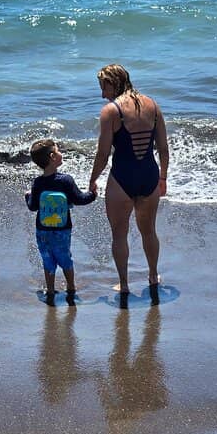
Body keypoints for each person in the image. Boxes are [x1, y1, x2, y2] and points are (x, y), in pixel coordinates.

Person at [89, 64, 169, 298]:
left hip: (122, 180)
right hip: (149, 177)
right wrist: (162, 177)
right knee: (149, 231)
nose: (103, 94)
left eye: (103, 87)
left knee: (119, 234)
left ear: (113, 83)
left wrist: (92, 179)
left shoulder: (110, 112)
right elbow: (163, 149)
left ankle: (124, 284)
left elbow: (103, 155)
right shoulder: (153, 106)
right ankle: (153, 276)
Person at [25, 137, 95, 303]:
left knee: (48, 259)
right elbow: (79, 199)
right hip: (63, 229)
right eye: (58, 151)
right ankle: (71, 286)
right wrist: (93, 194)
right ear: (52, 157)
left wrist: (27, 196)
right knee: (65, 257)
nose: (61, 153)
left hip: (42, 230)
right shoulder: (66, 180)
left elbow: (33, 207)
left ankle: (50, 290)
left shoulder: (38, 183)